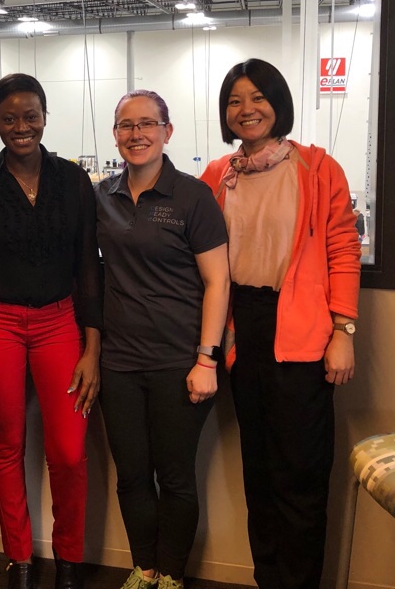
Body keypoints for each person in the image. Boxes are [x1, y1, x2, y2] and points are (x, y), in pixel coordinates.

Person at [199, 59, 361, 589]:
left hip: (303, 332)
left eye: (258, 97)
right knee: (259, 471)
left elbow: (342, 247)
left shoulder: (317, 168)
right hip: (240, 331)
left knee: (302, 476)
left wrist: (344, 330)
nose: (247, 110)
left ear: (278, 103)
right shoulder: (217, 176)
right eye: (235, 101)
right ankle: (269, 579)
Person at [0, 73, 103, 589]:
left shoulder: (74, 181)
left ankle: (69, 560)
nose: (21, 126)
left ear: (45, 116)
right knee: (6, 444)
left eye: (30, 115)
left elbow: (88, 268)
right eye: (8, 118)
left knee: (69, 450)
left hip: (60, 322)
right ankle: (20, 559)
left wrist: (92, 346)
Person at [95, 90, 230, 589]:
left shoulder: (193, 196)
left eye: (147, 124)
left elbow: (218, 281)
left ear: (167, 132)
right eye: (126, 126)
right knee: (131, 475)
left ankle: (170, 574)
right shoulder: (102, 196)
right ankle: (143, 568)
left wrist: (207, 358)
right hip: (119, 364)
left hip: (180, 362)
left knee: (175, 477)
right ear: (115, 135)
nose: (137, 134)